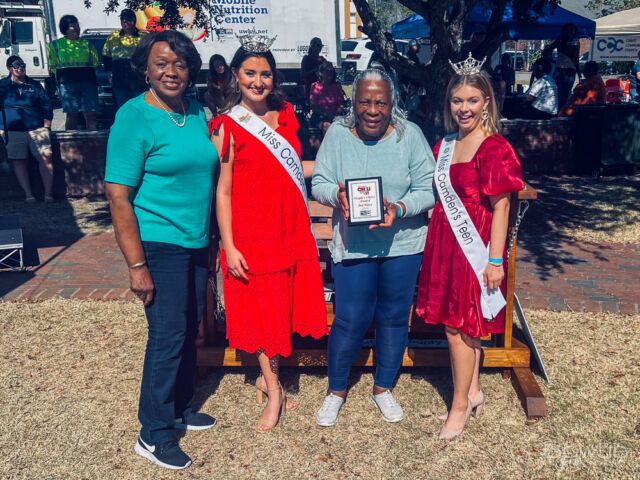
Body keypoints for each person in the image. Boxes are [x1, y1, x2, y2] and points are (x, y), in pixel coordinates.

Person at [104, 30, 219, 470]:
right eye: (161, 64)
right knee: (168, 335)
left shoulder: (196, 113)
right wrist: (137, 265)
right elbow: (118, 197)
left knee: (189, 327)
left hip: (194, 241)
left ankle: (178, 409)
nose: (171, 71)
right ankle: (153, 433)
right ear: (146, 69)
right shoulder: (134, 117)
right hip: (157, 242)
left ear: (191, 70)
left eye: (180, 64)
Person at [210, 37, 328, 432]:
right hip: (252, 234)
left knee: (281, 309)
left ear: (273, 77)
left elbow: (296, 167)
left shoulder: (287, 116)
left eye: (264, 74)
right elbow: (222, 191)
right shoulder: (227, 125)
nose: (258, 81)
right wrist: (229, 244)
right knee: (262, 311)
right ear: (236, 76)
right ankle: (275, 393)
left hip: (289, 229)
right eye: (250, 73)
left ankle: (266, 378)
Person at [312, 68, 436, 427]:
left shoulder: (409, 135)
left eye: (380, 102)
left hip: (403, 243)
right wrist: (334, 195)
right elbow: (319, 181)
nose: (372, 109)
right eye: (365, 101)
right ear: (354, 101)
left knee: (394, 316)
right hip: (354, 246)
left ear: (391, 102)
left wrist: (399, 208)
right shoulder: (337, 134)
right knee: (350, 318)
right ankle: (336, 390)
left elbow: (429, 188)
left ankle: (383, 388)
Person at [415, 60, 523, 440]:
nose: (464, 108)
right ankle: (473, 391)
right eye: (457, 100)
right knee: (462, 326)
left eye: (472, 100)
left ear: (487, 102)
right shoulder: (444, 144)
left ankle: (458, 406)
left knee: (460, 328)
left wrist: (494, 260)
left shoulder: (495, 147)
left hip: (474, 244)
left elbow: (502, 207)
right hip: (445, 243)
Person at [0, 56, 54, 202]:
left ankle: (48, 194)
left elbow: (46, 104)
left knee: (46, 157)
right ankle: (28, 194)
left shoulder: (34, 85)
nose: (20, 68)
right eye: (16, 66)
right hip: (12, 129)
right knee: (19, 161)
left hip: (36, 128)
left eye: (22, 65)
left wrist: (47, 122)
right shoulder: (2, 85)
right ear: (9, 68)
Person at [48, 15, 100, 130]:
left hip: (87, 82)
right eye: (73, 26)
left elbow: (95, 63)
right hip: (67, 84)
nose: (77, 28)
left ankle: (93, 143)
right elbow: (53, 65)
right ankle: (71, 145)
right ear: (65, 29)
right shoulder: (56, 45)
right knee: (72, 115)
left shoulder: (87, 44)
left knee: (90, 114)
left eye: (77, 25)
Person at [102, 8, 146, 108]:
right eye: (122, 20)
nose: (124, 22)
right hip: (119, 80)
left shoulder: (143, 37)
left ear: (134, 21)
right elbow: (106, 56)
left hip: (138, 81)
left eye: (127, 20)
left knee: (139, 108)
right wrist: (109, 74)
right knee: (122, 109)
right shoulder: (113, 36)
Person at [544, 22, 580, 107]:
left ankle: (561, 112)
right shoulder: (560, 40)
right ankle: (556, 112)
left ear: (574, 31)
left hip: (571, 71)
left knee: (567, 93)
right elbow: (546, 52)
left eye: (572, 29)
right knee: (558, 93)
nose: (570, 31)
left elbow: (576, 59)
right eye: (568, 29)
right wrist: (553, 61)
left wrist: (579, 73)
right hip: (560, 70)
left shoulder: (576, 42)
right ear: (564, 31)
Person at [309, 61, 347, 133]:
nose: (330, 73)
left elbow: (340, 104)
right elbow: (313, 106)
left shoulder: (337, 86)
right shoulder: (315, 86)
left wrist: (337, 113)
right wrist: (326, 115)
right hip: (319, 116)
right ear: (322, 72)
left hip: (335, 117)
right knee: (327, 126)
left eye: (331, 71)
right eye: (327, 71)